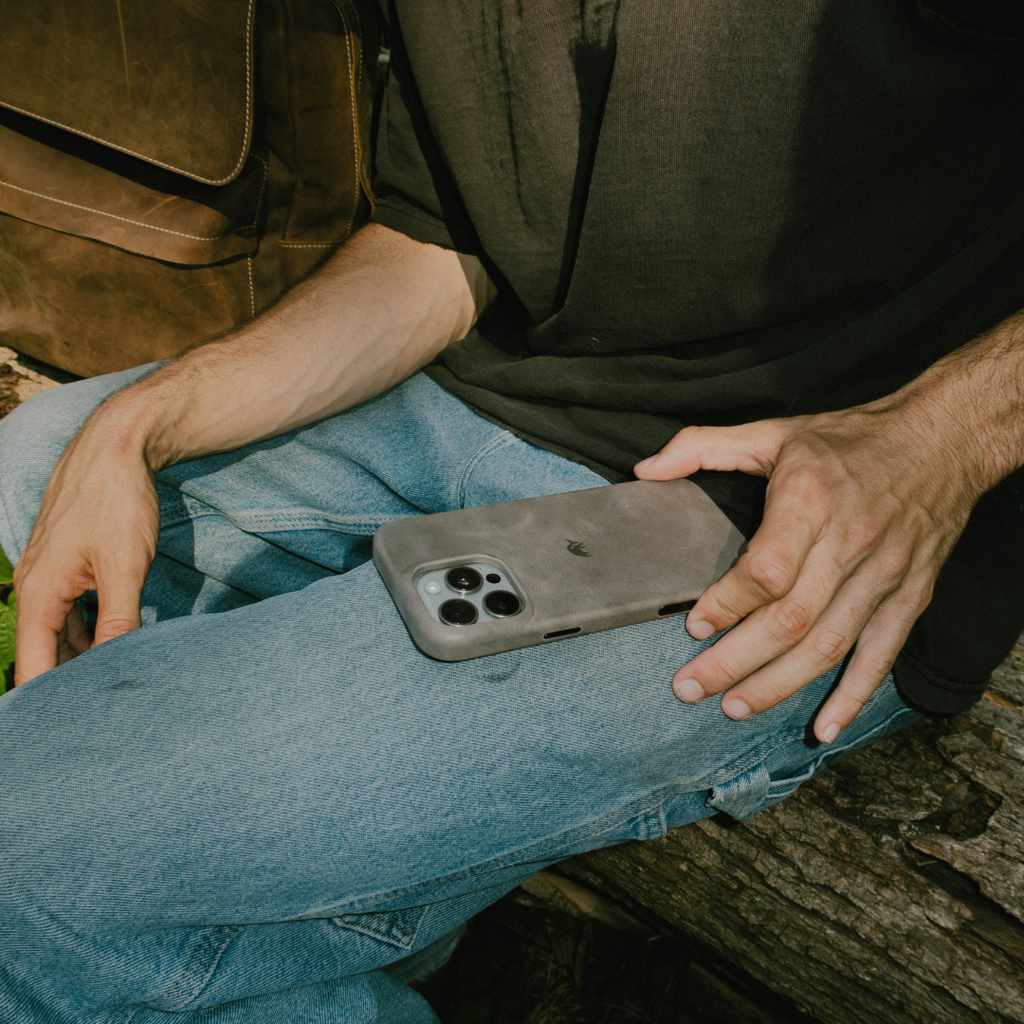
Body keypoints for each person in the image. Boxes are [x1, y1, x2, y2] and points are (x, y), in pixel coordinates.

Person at [2, 3, 1024, 1021]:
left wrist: (947, 434)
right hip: (492, 387)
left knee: (28, 857)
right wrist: (139, 426)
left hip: (797, 499)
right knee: (41, 462)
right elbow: (440, 239)